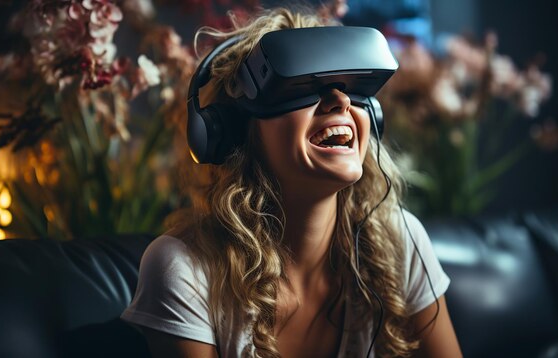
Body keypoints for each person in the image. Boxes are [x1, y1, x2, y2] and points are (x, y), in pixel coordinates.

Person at [121, 7, 462, 358]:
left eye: (349, 86)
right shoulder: (184, 270)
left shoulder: (399, 241)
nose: (340, 100)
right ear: (235, 133)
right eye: (302, 86)